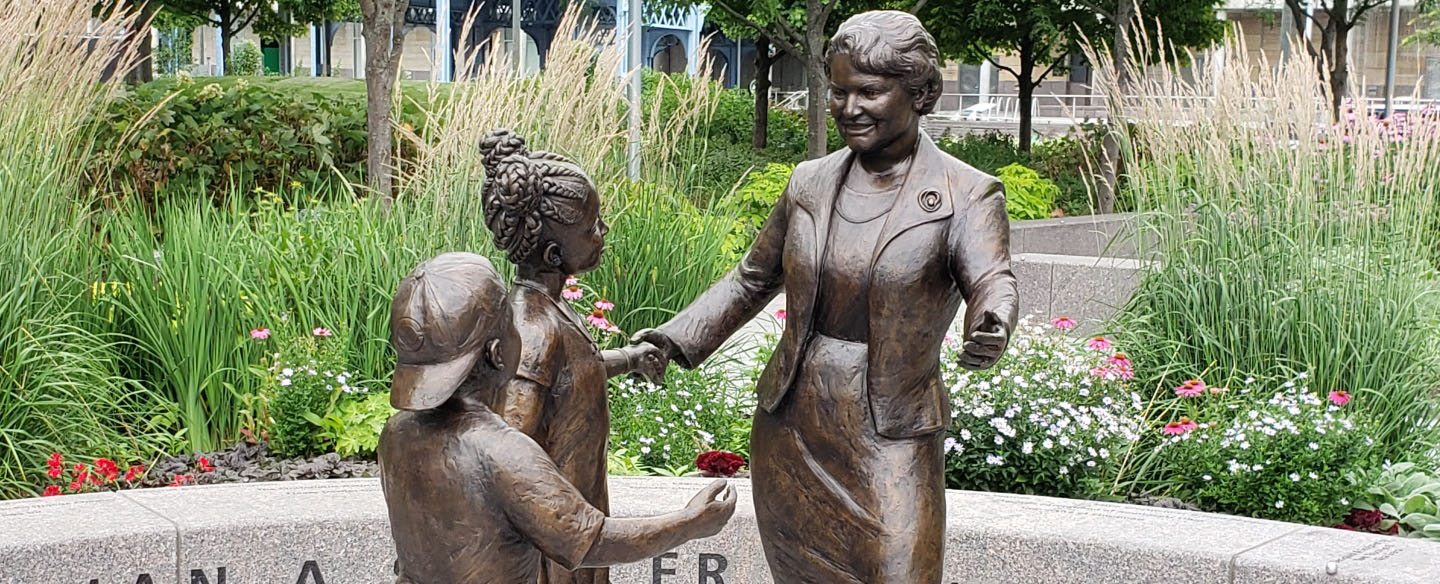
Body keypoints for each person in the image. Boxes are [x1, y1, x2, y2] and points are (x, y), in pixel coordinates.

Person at [630, 11, 1019, 583]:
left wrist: (992, 319)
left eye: (869, 92)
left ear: (921, 93)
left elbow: (993, 279)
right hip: (796, 419)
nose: (848, 107)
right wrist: (673, 338)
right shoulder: (808, 183)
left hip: (892, 429)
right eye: (838, 91)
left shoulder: (967, 193)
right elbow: (751, 278)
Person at [377, 252, 735, 584]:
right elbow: (593, 541)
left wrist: (628, 359)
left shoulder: (396, 434)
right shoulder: (503, 452)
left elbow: (574, 370)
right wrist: (691, 522)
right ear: (499, 354)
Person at [477, 129, 667, 584]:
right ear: (552, 252)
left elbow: (580, 371)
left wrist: (632, 357)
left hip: (579, 523)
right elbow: (510, 448)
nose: (603, 232)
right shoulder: (535, 330)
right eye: (592, 226)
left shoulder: (551, 312)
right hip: (553, 547)